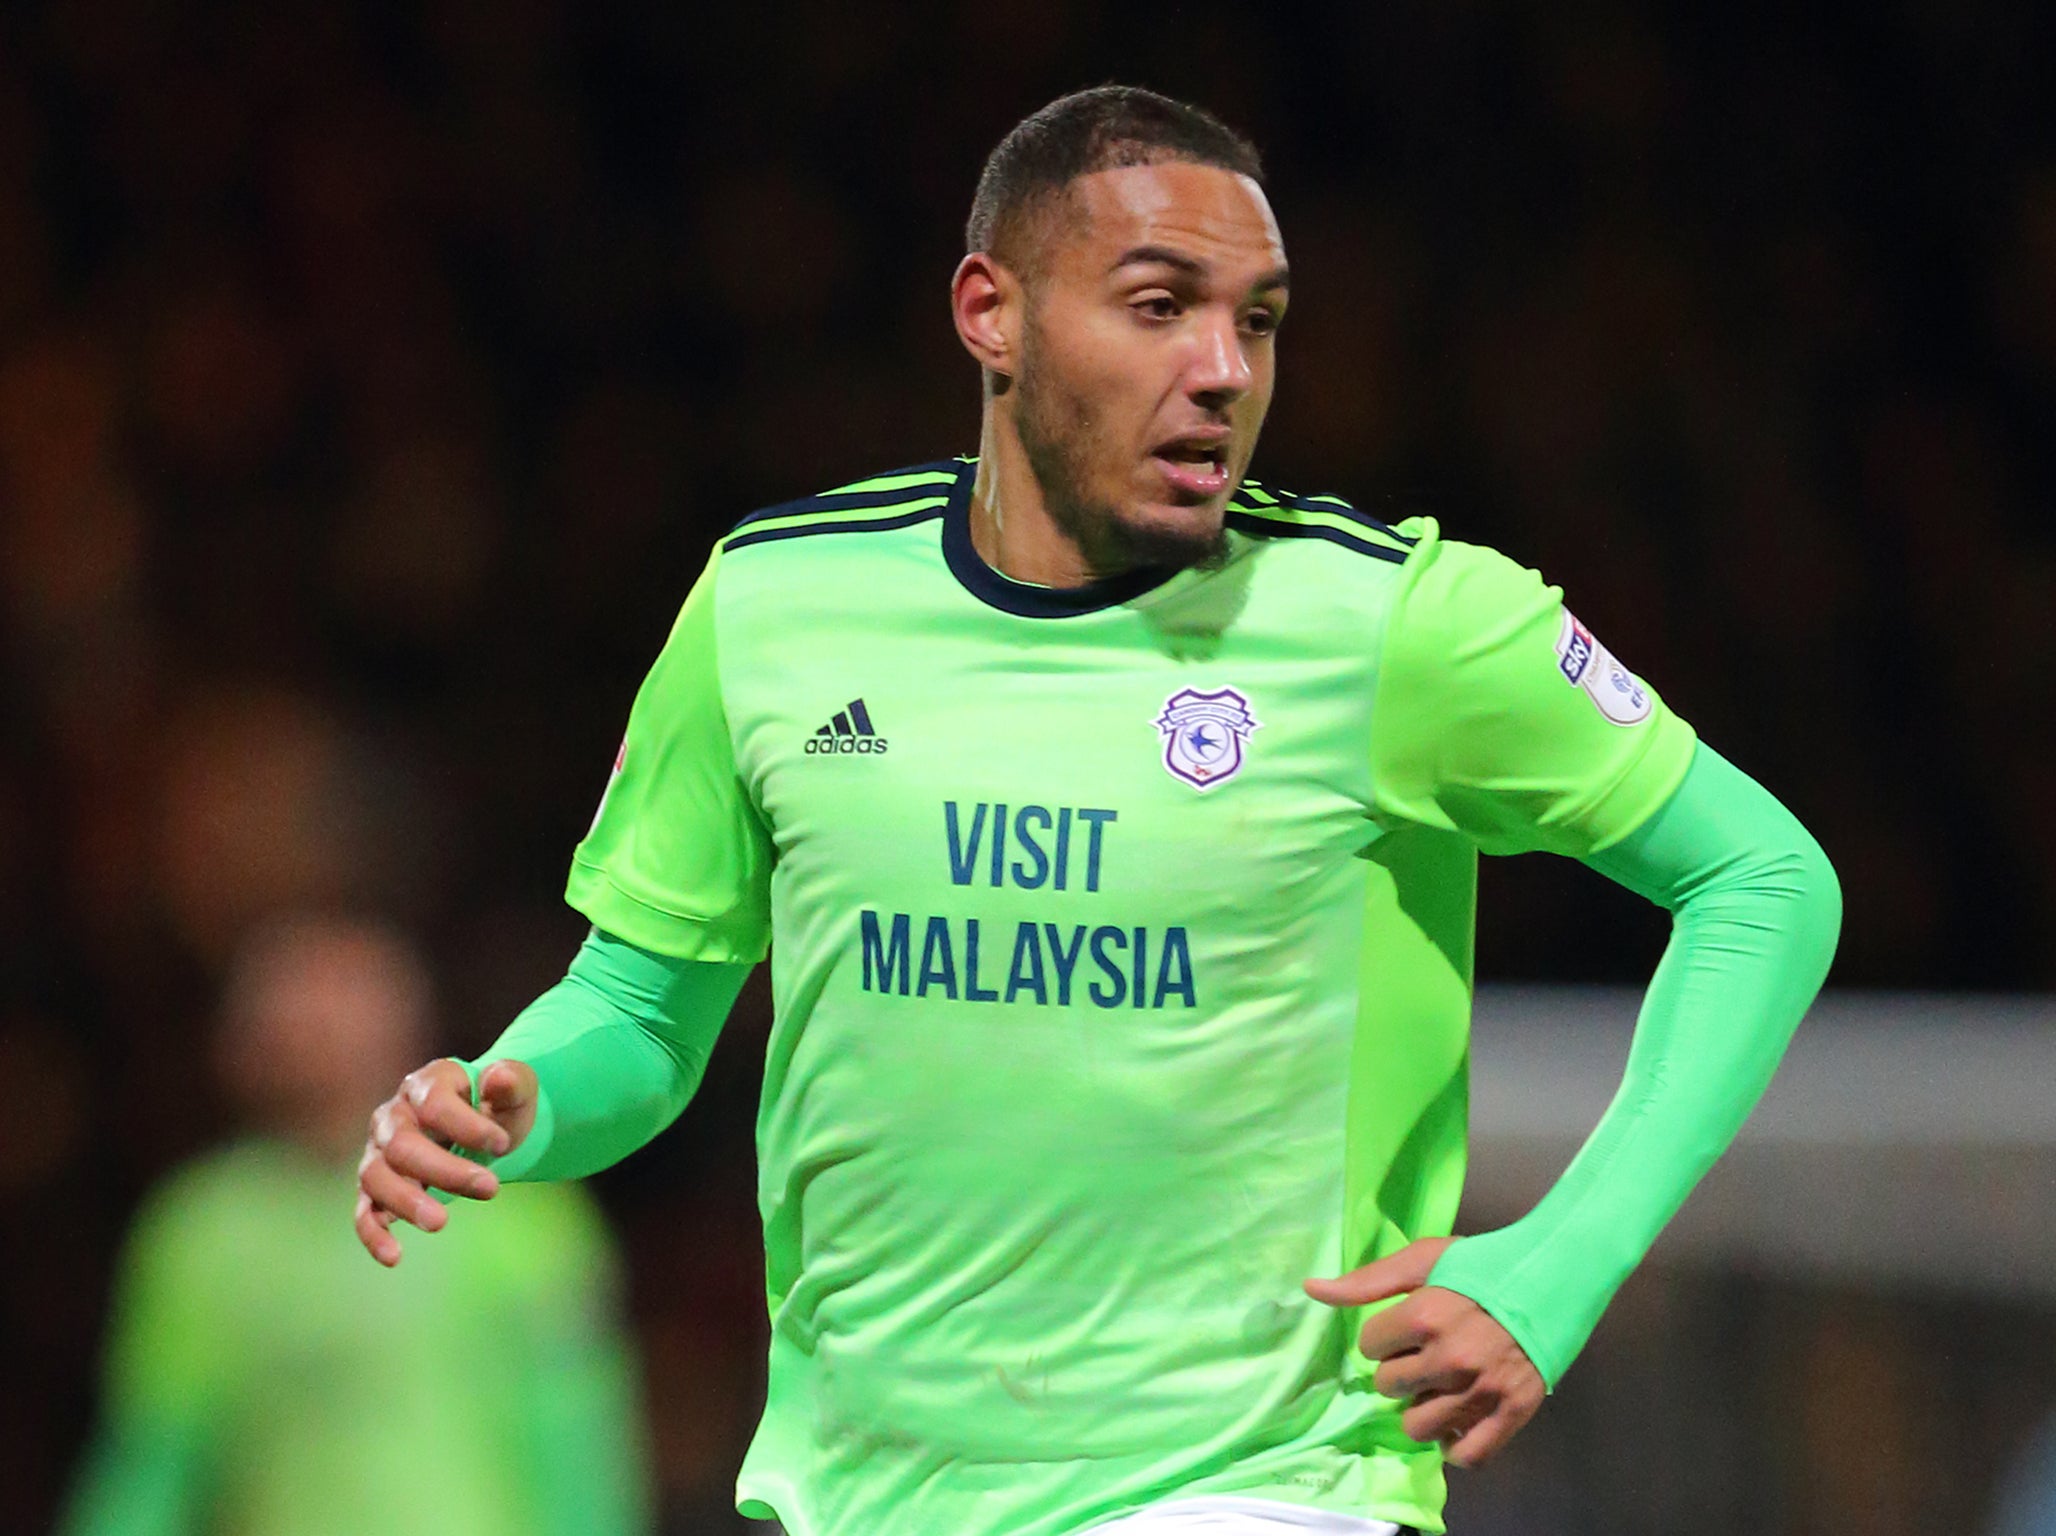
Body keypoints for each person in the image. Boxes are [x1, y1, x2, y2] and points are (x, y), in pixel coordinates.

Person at [353, 86, 1840, 1536]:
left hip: (1260, 1479)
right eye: (1157, 306)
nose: (1226, 369)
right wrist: (513, 1100)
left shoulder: (1398, 627)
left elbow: (1767, 880)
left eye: (1256, 319)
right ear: (990, 312)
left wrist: (1564, 1264)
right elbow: (640, 1008)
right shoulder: (774, 606)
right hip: (861, 1490)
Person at [66, 914, 652, 1536]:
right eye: (285, 1004)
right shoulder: (202, 1228)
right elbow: (153, 1461)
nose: (307, 1028)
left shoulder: (511, 1202)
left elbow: (578, 1452)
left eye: (338, 1004)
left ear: (407, 1025)